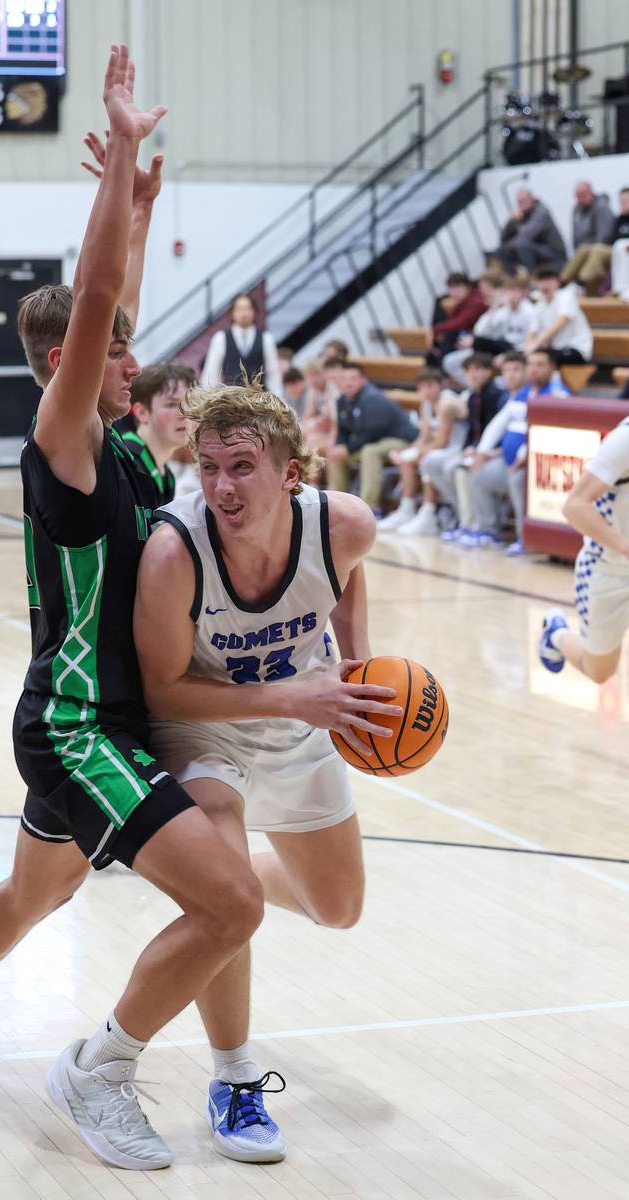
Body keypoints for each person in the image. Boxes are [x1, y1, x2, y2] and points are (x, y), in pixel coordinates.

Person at [0, 46, 268, 1174]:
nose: (136, 357)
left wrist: (136, 210)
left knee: (32, 891)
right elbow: (96, 301)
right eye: (116, 349)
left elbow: (111, 298)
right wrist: (121, 155)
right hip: (78, 726)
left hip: (99, 719)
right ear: (66, 363)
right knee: (232, 904)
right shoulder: (64, 439)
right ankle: (98, 1069)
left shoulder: (123, 438)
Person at [134, 383, 403, 1162]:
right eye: (209, 466)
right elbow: (161, 690)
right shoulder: (174, 552)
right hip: (201, 724)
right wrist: (296, 695)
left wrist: (357, 664)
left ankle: (231, 873)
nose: (221, 486)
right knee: (229, 904)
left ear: (290, 474)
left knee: (338, 907)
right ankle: (234, 1079)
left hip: (299, 718)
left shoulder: (344, 524)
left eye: (242, 467)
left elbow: (346, 570)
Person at [539, 413, 629, 683]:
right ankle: (556, 635)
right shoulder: (625, 440)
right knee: (599, 671)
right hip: (608, 570)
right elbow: (575, 506)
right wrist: (625, 547)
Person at [418, 354, 506, 543]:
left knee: (457, 469)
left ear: (489, 371)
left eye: (479, 369)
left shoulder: (496, 395)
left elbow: (495, 431)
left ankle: (474, 524)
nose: (474, 374)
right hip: (472, 449)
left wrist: (480, 451)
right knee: (434, 465)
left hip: (491, 452)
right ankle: (462, 516)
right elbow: (472, 431)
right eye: (470, 370)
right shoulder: (473, 396)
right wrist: (469, 448)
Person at [377, 367, 463, 532]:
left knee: (424, 459)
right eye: (422, 387)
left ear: (441, 385)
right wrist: (407, 452)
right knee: (406, 460)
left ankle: (428, 512)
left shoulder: (447, 404)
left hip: (457, 448)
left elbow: (442, 442)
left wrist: (415, 453)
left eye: (430, 386)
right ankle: (406, 509)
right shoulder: (426, 404)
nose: (426, 391)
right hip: (441, 449)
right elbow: (424, 436)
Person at [325, 361, 418, 511]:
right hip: (373, 441)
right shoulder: (341, 400)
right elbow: (343, 430)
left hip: (400, 440)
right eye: (345, 379)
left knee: (370, 452)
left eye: (353, 378)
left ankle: (368, 507)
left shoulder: (372, 398)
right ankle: (338, 504)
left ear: (363, 380)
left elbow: (372, 433)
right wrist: (339, 446)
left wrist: (347, 449)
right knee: (335, 453)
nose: (348, 383)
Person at [465, 353, 529, 554]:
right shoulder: (515, 397)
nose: (511, 375)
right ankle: (488, 530)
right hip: (505, 461)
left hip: (525, 465)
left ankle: (525, 538)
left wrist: (522, 455)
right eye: (507, 370)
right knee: (478, 474)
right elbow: (496, 426)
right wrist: (482, 452)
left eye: (516, 369)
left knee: (517, 479)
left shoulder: (545, 394)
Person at [120, 363, 196, 505]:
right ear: (142, 412)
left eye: (190, 403)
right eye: (171, 404)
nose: (185, 414)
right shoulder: (125, 458)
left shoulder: (167, 476)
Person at [443, 273, 536, 387]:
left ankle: (485, 384)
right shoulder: (505, 310)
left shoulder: (529, 311)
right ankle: (475, 386)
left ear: (522, 293)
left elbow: (532, 340)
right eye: (509, 292)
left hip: (520, 349)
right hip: (505, 347)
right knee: (473, 345)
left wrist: (508, 355)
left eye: (514, 291)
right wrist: (494, 306)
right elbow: (479, 330)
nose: (511, 295)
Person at [201, 293, 282, 393]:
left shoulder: (266, 338)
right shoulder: (220, 338)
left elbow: (273, 375)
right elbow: (211, 373)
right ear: (232, 313)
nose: (244, 313)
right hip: (231, 398)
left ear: (254, 312)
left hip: (259, 398)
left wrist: (278, 397)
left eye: (248, 309)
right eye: (239, 309)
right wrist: (210, 397)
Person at [525, 266, 593, 366]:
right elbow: (532, 330)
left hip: (576, 348)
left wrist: (537, 344)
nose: (545, 285)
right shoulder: (540, 304)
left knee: (541, 359)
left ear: (557, 282)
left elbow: (561, 320)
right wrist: (528, 346)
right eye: (542, 281)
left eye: (549, 281)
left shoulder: (566, 296)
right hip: (555, 349)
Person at [560, 181, 616, 296]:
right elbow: (575, 238)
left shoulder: (602, 207)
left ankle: (581, 284)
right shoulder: (577, 210)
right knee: (583, 248)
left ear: (591, 192)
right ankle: (561, 283)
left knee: (596, 249)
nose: (580, 199)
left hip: (605, 250)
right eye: (577, 196)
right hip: (588, 251)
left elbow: (604, 236)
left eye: (583, 195)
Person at [494, 187, 566, 274]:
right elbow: (503, 239)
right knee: (502, 250)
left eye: (523, 200)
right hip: (535, 249)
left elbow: (526, 235)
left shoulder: (541, 212)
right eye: (519, 202)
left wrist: (510, 244)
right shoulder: (520, 215)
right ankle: (511, 278)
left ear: (531, 199)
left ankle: (532, 277)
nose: (521, 204)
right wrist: (510, 223)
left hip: (553, 252)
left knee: (522, 245)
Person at [425, 273, 487, 368]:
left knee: (450, 336)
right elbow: (452, 319)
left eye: (457, 288)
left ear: (467, 287)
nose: (453, 293)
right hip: (470, 339)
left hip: (479, 342)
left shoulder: (476, 301)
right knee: (434, 355)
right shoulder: (464, 301)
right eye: (451, 289)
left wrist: (434, 329)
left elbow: (460, 322)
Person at [610, 187, 629, 301]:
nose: (623, 205)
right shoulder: (619, 220)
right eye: (621, 202)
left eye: (626, 201)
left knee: (623, 246)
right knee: (619, 246)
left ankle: (626, 288)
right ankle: (618, 288)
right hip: (621, 248)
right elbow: (612, 239)